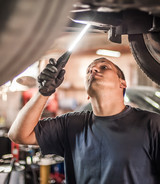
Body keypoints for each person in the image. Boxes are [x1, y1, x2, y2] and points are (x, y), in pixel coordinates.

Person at [8, 57, 160, 184]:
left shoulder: (151, 124)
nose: (93, 70)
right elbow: (19, 134)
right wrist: (44, 92)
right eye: (89, 70)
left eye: (104, 67)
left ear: (122, 83)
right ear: (87, 94)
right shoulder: (71, 124)